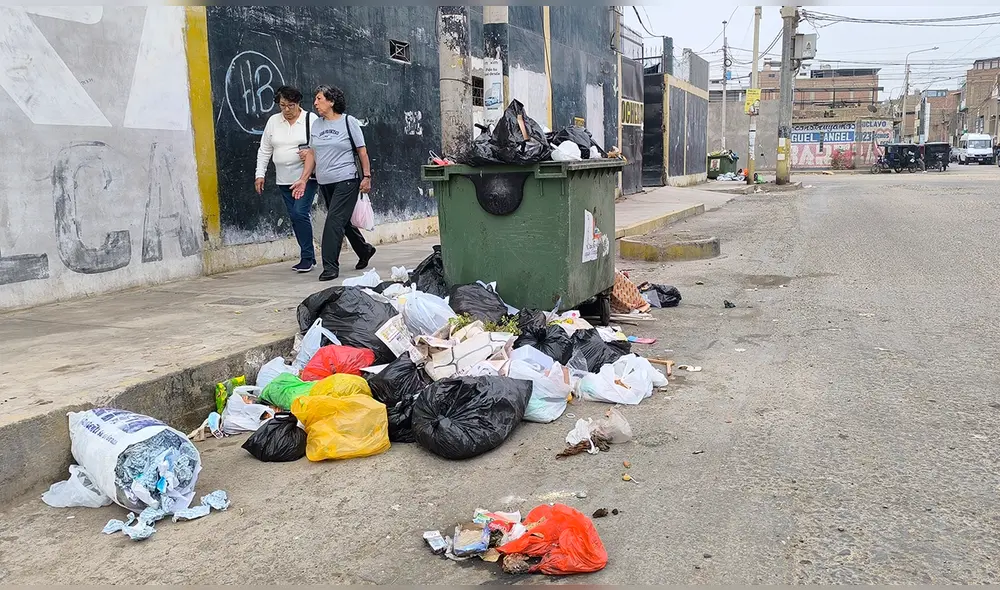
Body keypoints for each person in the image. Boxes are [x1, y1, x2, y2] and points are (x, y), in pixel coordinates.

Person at [292, 85, 375, 281]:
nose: (315, 103)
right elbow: (312, 152)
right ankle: (364, 250)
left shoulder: (349, 122)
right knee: (343, 221)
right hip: (325, 182)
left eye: (319, 99)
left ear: (331, 101)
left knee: (333, 221)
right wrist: (303, 179)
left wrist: (367, 176)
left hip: (346, 179)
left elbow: (362, 151)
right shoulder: (317, 125)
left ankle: (330, 267)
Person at [255, 86, 318, 273]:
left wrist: (310, 152)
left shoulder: (310, 120)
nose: (287, 110)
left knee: (300, 213)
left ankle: (307, 257)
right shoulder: (274, 122)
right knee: (295, 217)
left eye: (291, 105)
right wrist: (260, 174)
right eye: (282, 105)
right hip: (284, 179)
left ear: (298, 103)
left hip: (306, 178)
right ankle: (307, 255)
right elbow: (265, 149)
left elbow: (321, 145)